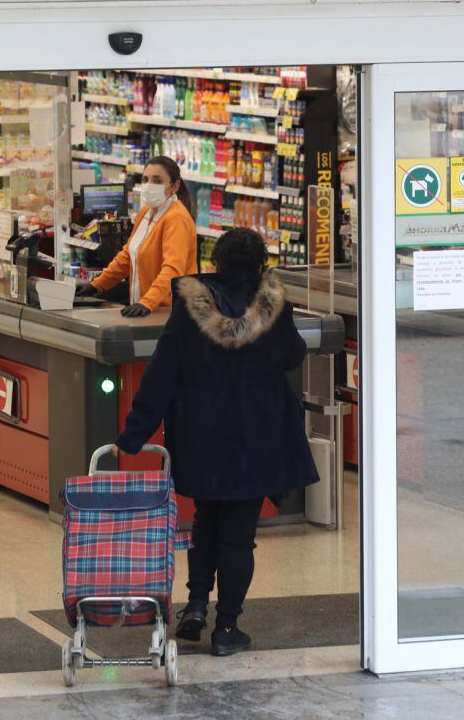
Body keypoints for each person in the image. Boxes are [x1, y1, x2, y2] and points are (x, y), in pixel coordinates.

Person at [114, 228, 318, 657]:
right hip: (255, 434)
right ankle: (227, 628)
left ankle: (195, 608)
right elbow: (290, 356)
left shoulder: (191, 304)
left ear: (216, 262)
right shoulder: (271, 303)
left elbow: (163, 369)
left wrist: (134, 434)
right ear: (260, 263)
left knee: (205, 521)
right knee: (239, 535)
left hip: (200, 430)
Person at [77, 156, 198, 317]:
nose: (149, 185)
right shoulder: (146, 211)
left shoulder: (177, 219)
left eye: (157, 181)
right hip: (147, 308)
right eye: (146, 179)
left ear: (175, 186)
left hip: (170, 312)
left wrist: (147, 302)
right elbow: (127, 256)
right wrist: (96, 285)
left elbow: (173, 270)